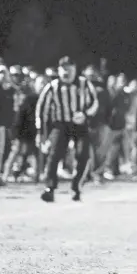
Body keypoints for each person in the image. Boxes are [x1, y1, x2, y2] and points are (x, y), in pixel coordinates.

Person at [36, 56, 98, 202]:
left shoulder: (84, 83)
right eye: (63, 69)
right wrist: (41, 132)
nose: (66, 73)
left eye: (69, 69)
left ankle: (76, 186)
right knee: (54, 155)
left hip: (80, 125)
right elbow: (41, 110)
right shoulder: (52, 87)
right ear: (58, 70)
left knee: (83, 154)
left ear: (75, 70)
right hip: (61, 124)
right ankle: (50, 188)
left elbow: (94, 102)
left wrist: (86, 114)